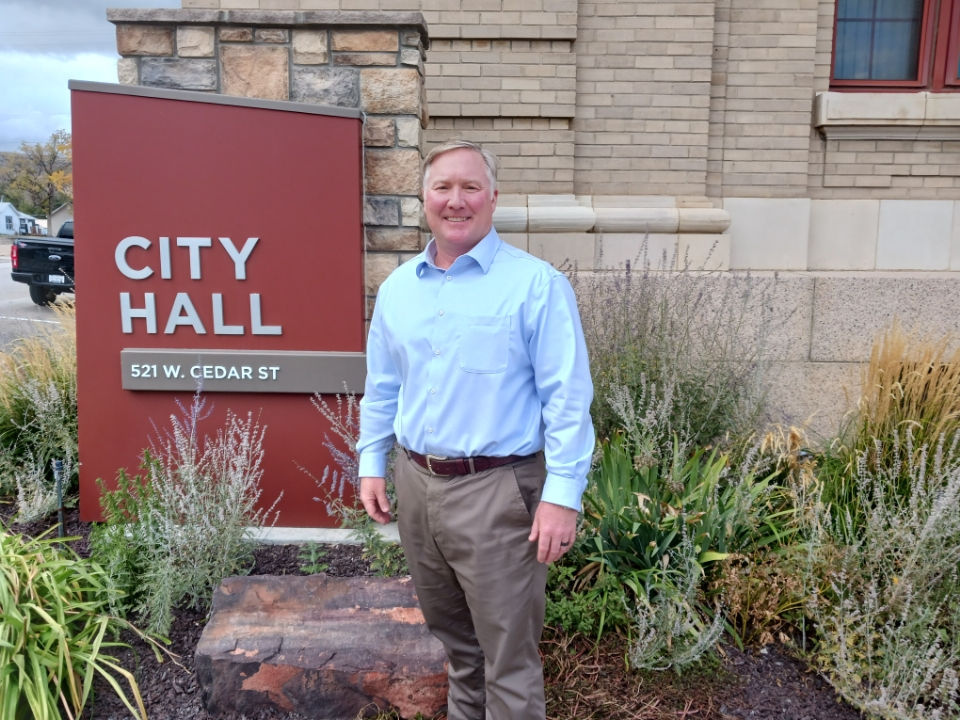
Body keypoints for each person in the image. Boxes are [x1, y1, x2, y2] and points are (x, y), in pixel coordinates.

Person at [356, 140, 594, 720]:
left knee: (507, 659)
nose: (455, 201)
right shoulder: (398, 289)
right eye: (443, 187)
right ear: (423, 198)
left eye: (469, 188)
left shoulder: (535, 286)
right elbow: (383, 384)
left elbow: (567, 398)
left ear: (492, 198)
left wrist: (562, 497)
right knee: (459, 650)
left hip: (498, 493)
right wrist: (371, 460)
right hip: (416, 486)